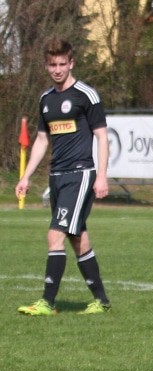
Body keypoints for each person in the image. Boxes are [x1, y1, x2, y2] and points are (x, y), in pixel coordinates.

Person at [16, 38, 111, 316]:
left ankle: (47, 302)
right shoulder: (46, 99)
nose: (57, 69)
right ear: (46, 66)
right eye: (52, 64)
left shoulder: (86, 95)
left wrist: (101, 176)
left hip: (80, 174)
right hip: (56, 176)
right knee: (77, 237)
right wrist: (25, 176)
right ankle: (101, 301)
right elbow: (41, 140)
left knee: (55, 234)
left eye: (62, 64)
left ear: (71, 63)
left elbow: (102, 137)